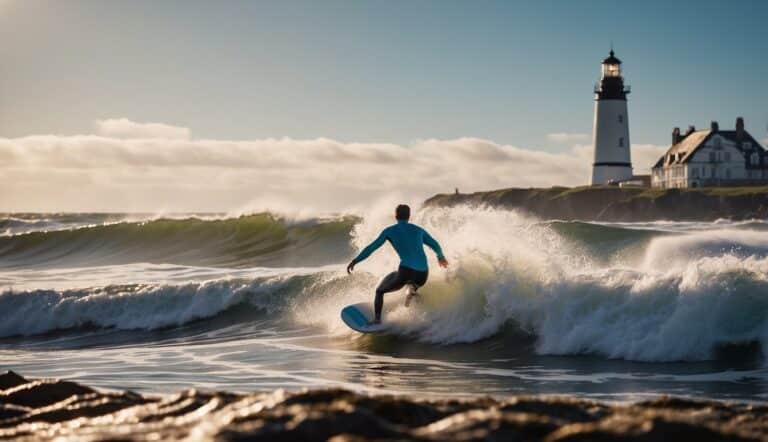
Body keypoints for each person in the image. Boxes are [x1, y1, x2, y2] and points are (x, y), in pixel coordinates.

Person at [346, 204, 448, 325]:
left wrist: (355, 261)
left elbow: (372, 248)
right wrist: (441, 257)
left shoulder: (389, 231)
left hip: (406, 271)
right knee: (411, 288)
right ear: (409, 216)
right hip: (422, 273)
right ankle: (418, 312)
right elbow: (435, 244)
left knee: (380, 291)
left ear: (395, 216)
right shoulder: (418, 230)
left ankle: (377, 320)